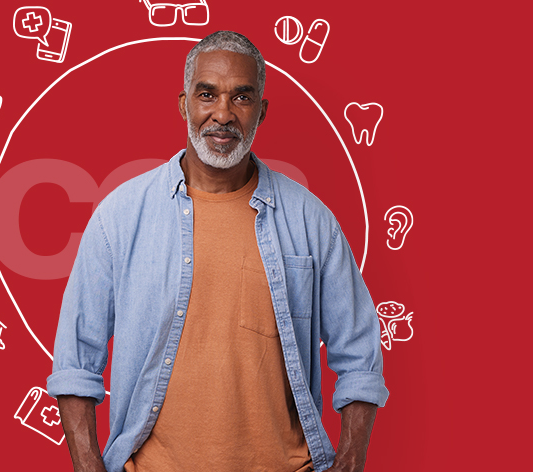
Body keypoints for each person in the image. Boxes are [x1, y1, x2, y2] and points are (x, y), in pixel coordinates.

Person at [47, 31, 388, 472]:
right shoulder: (120, 216)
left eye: (241, 97)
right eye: (207, 94)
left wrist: (351, 460)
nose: (222, 114)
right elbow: (76, 359)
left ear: (261, 112)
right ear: (184, 104)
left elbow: (360, 353)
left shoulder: (311, 220)